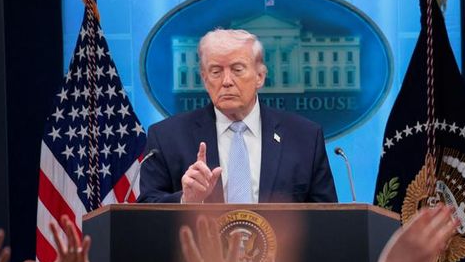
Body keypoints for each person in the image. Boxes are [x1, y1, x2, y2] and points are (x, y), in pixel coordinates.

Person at [139, 28, 337, 204]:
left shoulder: (304, 137)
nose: (226, 81)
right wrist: (185, 201)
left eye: (237, 69)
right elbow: (145, 211)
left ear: (260, 76)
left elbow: (327, 219)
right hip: (199, 245)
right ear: (205, 79)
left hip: (283, 246)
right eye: (216, 71)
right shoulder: (167, 137)